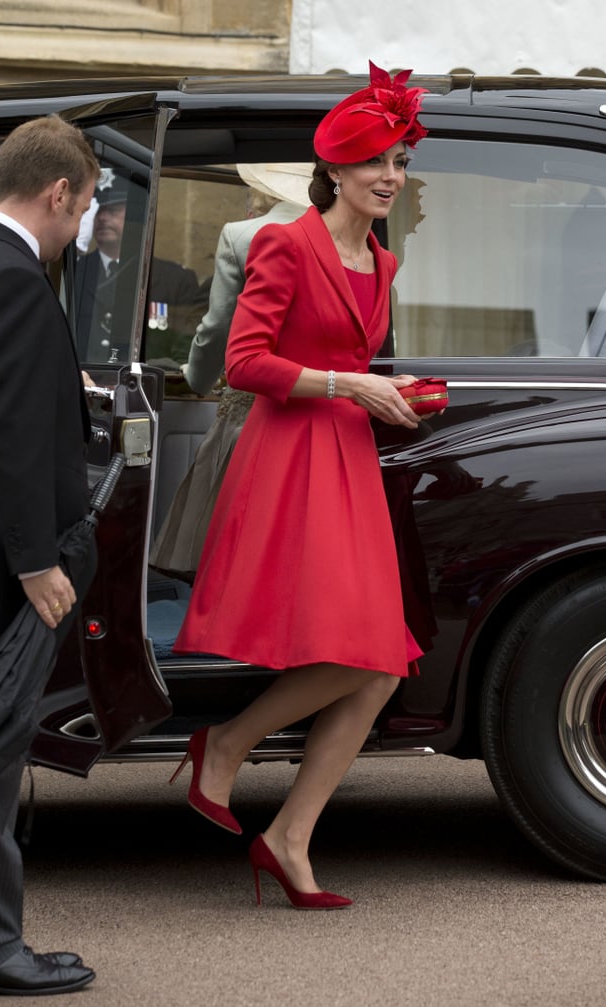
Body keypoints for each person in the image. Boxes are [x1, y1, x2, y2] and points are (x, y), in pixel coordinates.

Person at [170, 61, 431, 909]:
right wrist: (348, 384)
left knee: (383, 664)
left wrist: (387, 398)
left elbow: (356, 363)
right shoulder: (284, 243)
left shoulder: (384, 265)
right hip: (290, 456)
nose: (391, 177)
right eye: (376, 163)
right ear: (337, 172)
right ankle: (230, 744)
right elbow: (244, 364)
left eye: (399, 161)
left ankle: (286, 835)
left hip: (348, 454)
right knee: (363, 650)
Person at [0, 115, 98, 996]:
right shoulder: (12, 277)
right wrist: (38, 561)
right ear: (59, 192)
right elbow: (7, 434)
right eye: (80, 210)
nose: (78, 231)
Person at [150, 162, 312, 580]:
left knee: (233, 539)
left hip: (252, 405)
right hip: (318, 405)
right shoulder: (343, 236)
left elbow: (218, 326)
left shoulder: (242, 236)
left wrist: (197, 379)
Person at [74, 172, 200, 361]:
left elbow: (184, 351)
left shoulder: (174, 280)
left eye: (114, 210)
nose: (103, 218)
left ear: (137, 219)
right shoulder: (75, 273)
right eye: (100, 210)